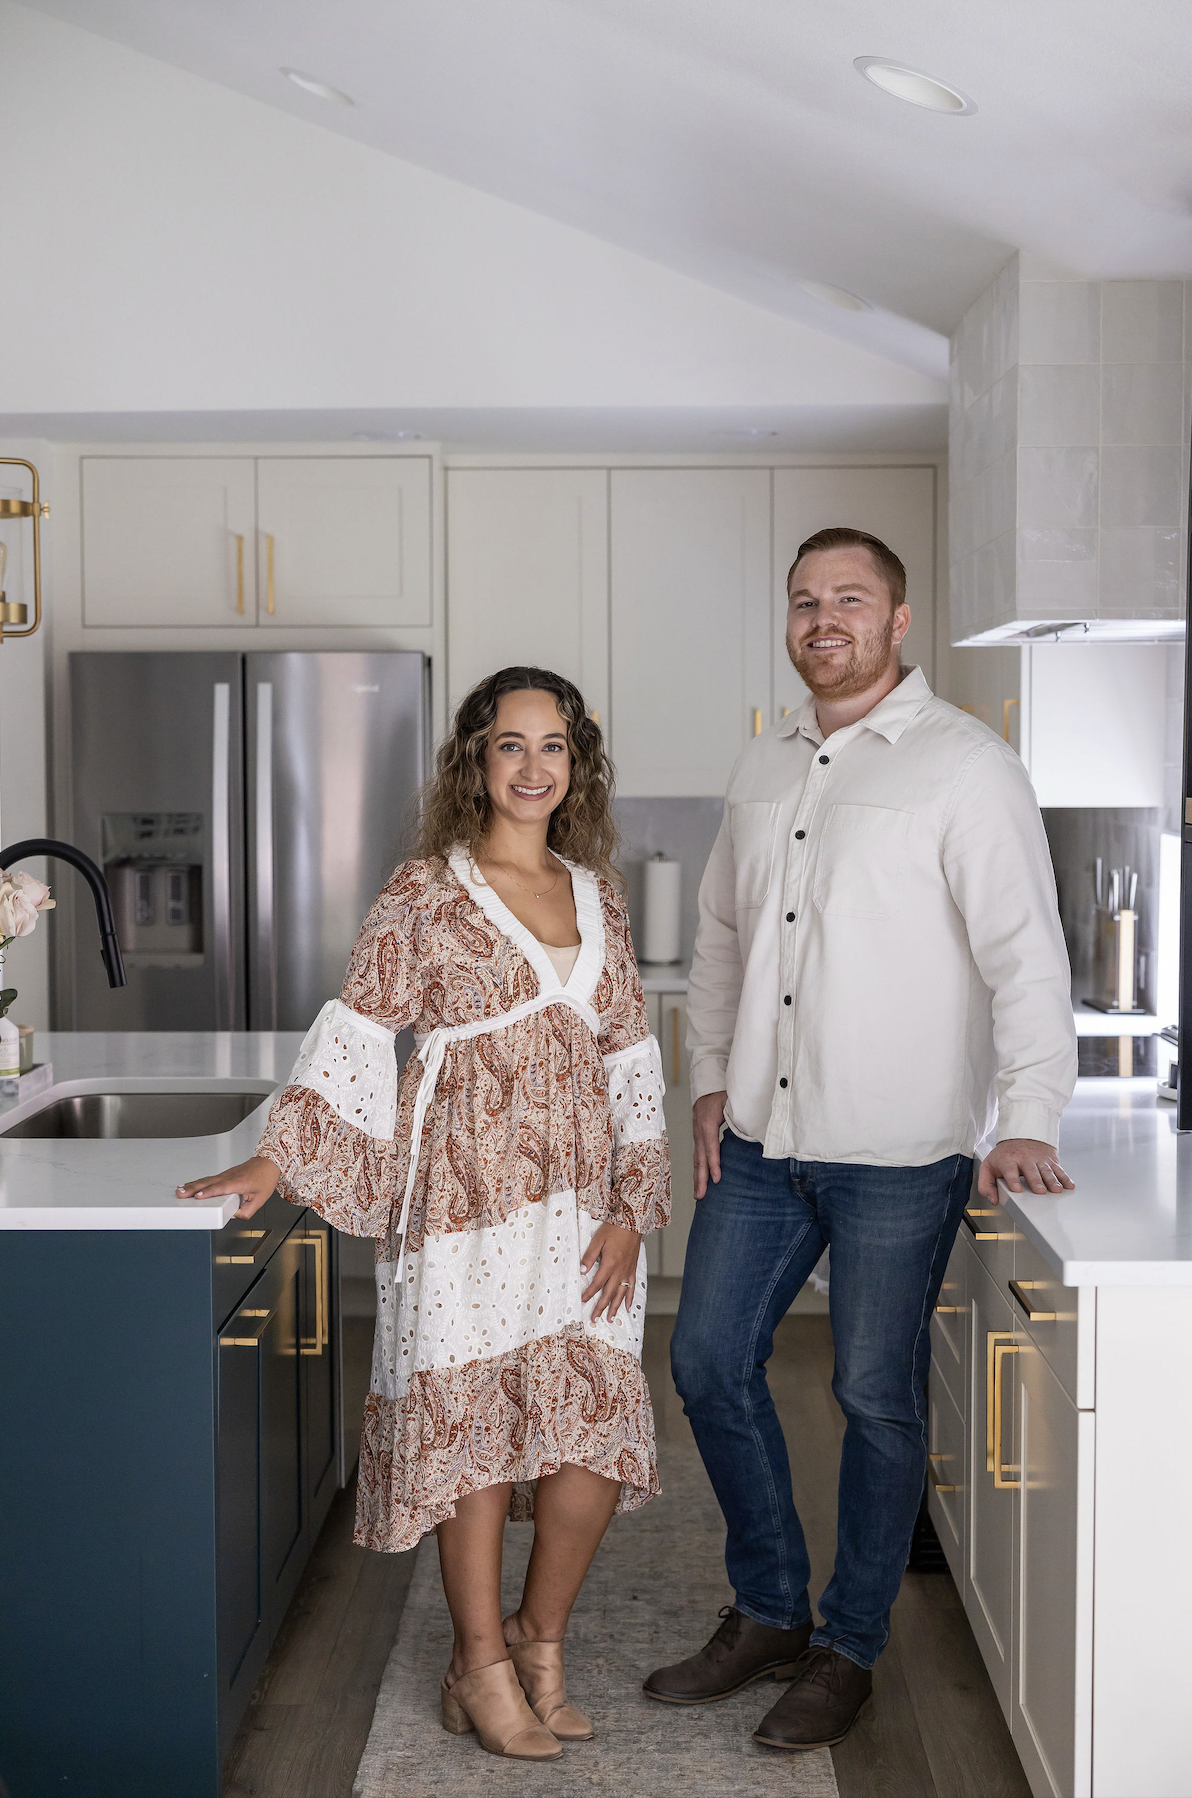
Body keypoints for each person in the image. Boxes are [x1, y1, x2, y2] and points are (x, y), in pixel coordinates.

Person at [179, 667, 670, 1763]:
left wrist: (636, 1206)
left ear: (576, 763)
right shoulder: (425, 890)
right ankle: (481, 1662)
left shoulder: (600, 892)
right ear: (475, 760)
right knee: (477, 1437)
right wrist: (277, 1160)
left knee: (588, 1427)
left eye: (553, 746)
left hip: (585, 1206)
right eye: (510, 745)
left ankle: (539, 1646)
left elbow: (632, 1056)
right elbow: (361, 1028)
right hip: (460, 1203)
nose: (533, 767)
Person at [644, 526, 1077, 1751]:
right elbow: (723, 939)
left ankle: (848, 1644)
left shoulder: (964, 766)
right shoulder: (765, 761)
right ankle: (771, 1606)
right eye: (801, 600)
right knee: (707, 1362)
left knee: (873, 1396)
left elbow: (1024, 959)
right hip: (767, 1141)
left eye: (848, 598)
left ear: (898, 620)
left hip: (901, 1148)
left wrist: (1029, 1115)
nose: (820, 618)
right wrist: (712, 1077)